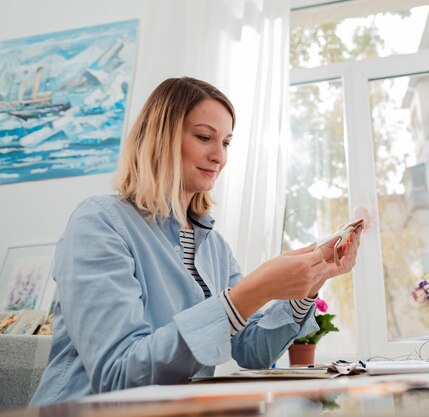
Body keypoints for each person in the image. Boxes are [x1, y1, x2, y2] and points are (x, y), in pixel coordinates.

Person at [30, 77, 361, 405]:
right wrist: (251, 293)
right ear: (161, 138)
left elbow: (252, 350)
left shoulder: (214, 247)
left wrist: (311, 281)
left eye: (227, 142)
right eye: (205, 137)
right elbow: (120, 374)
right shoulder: (99, 223)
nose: (220, 156)